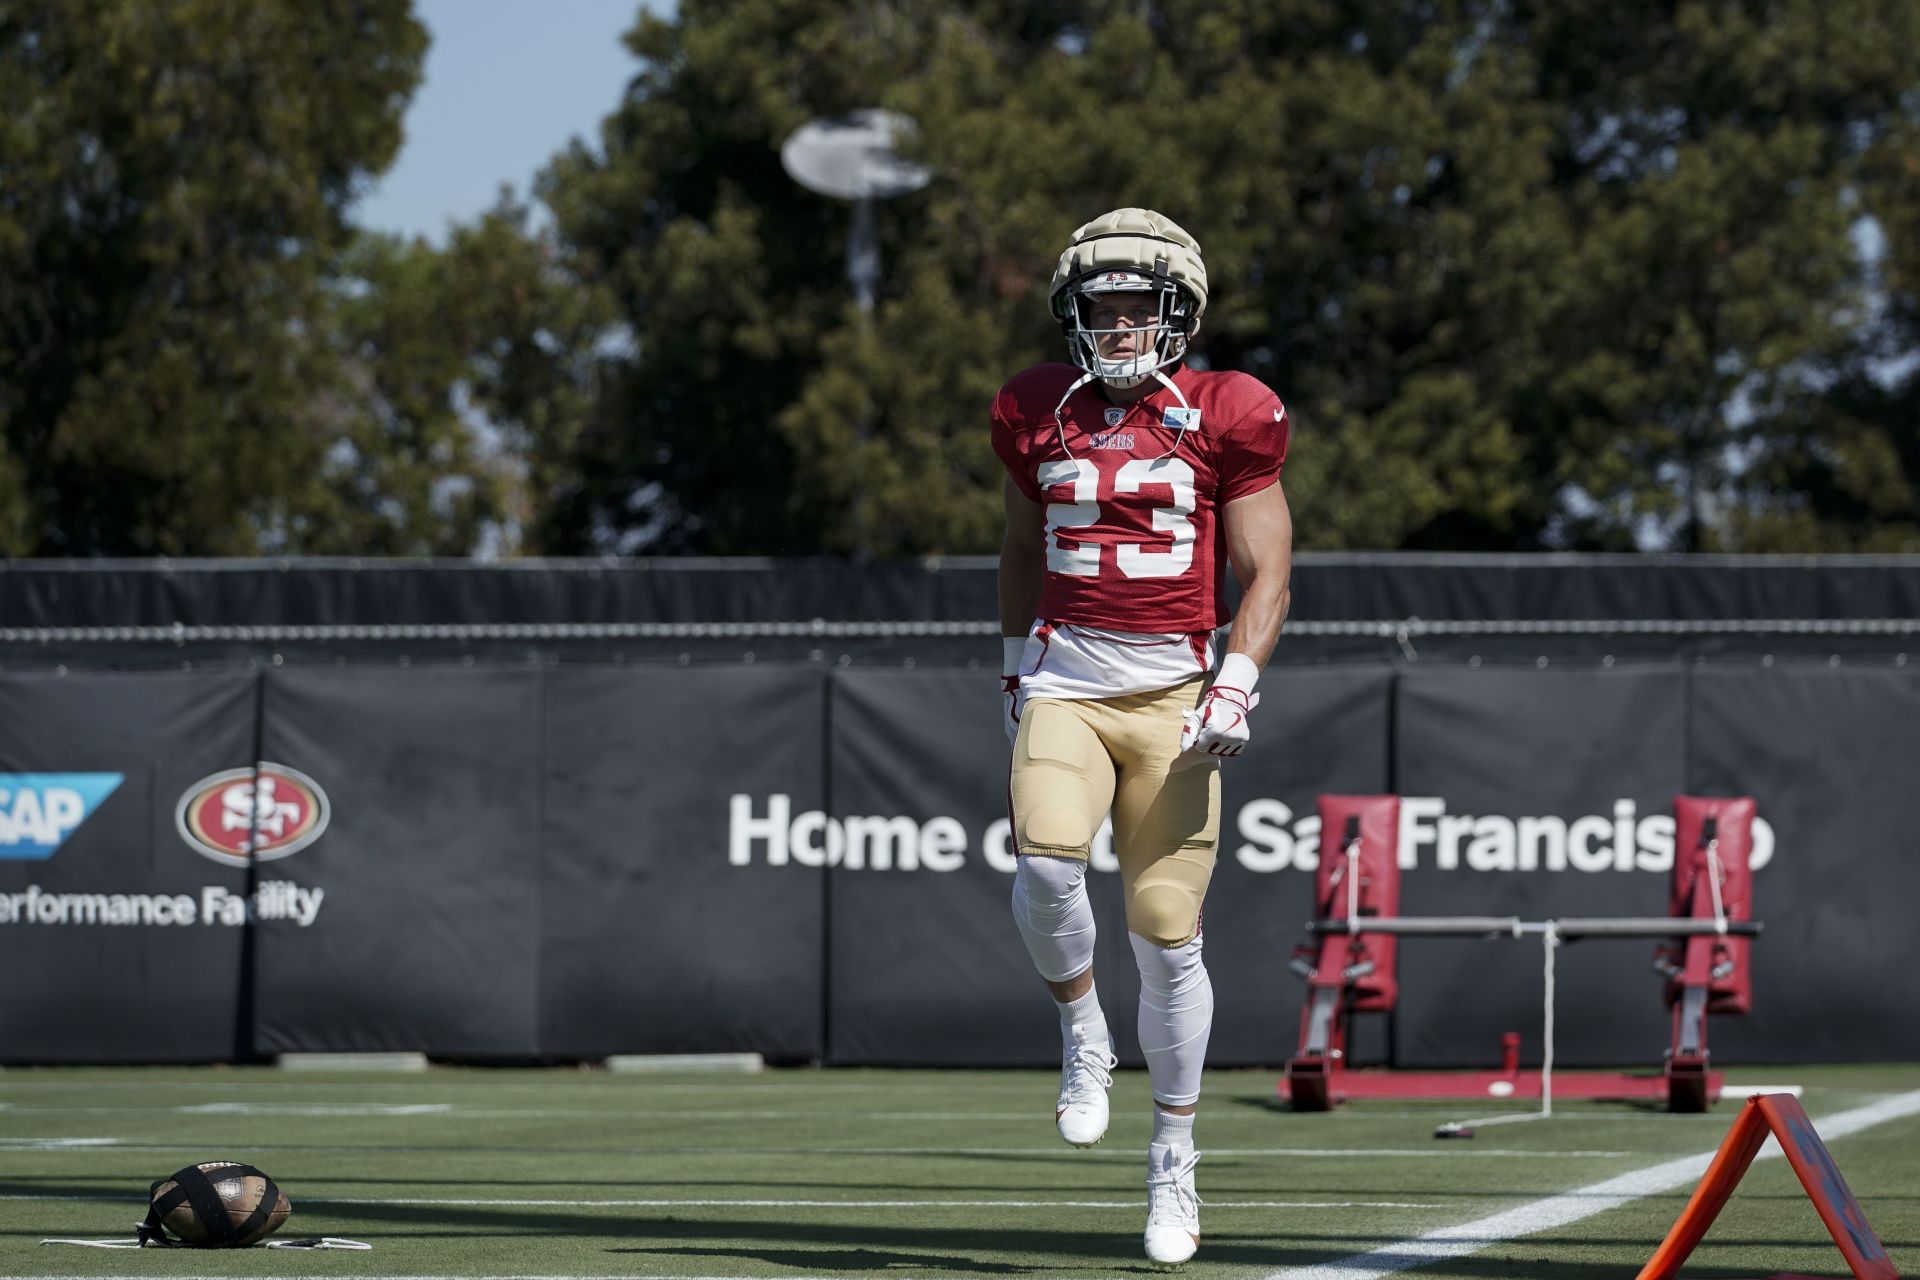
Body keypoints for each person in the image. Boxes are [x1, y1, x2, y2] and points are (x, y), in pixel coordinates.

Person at [991, 208, 1293, 1267]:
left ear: (1179, 314)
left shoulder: (1228, 412)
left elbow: (1268, 570)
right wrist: (1016, 664)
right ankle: (1082, 1031)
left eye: (1138, 307)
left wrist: (1238, 683)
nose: (1119, 326)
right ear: (1075, 314)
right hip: (1069, 680)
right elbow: (1022, 543)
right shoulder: (1037, 409)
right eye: (1102, 307)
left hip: (1172, 691)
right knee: (1043, 868)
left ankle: (1174, 1150)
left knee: (1167, 934)